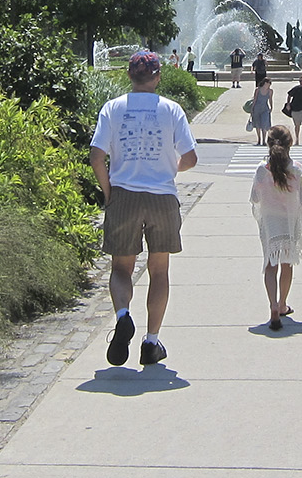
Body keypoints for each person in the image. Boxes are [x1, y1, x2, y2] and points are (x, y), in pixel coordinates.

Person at [90, 50, 198, 366]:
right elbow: (190, 157)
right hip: (162, 197)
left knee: (121, 268)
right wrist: (169, 169)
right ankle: (151, 342)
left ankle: (123, 314)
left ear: (130, 76)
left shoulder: (113, 108)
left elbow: (97, 156)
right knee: (159, 270)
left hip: (124, 193)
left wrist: (108, 191)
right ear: (157, 77)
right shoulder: (171, 109)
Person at [250, 125, 302, 331]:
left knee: (270, 265)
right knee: (286, 264)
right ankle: (282, 304)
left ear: (269, 143)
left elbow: (254, 197)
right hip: (289, 223)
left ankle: (272, 305)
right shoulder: (298, 170)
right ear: (291, 143)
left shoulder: (262, 170)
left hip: (270, 223)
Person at [249, 77, 275, 145]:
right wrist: (252, 108)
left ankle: (264, 140)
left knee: (264, 124)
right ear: (265, 83)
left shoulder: (270, 91)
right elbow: (254, 99)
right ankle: (259, 139)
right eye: (268, 83)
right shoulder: (258, 90)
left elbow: (270, 99)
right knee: (257, 125)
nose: (269, 85)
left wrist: (271, 107)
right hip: (257, 108)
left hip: (265, 108)